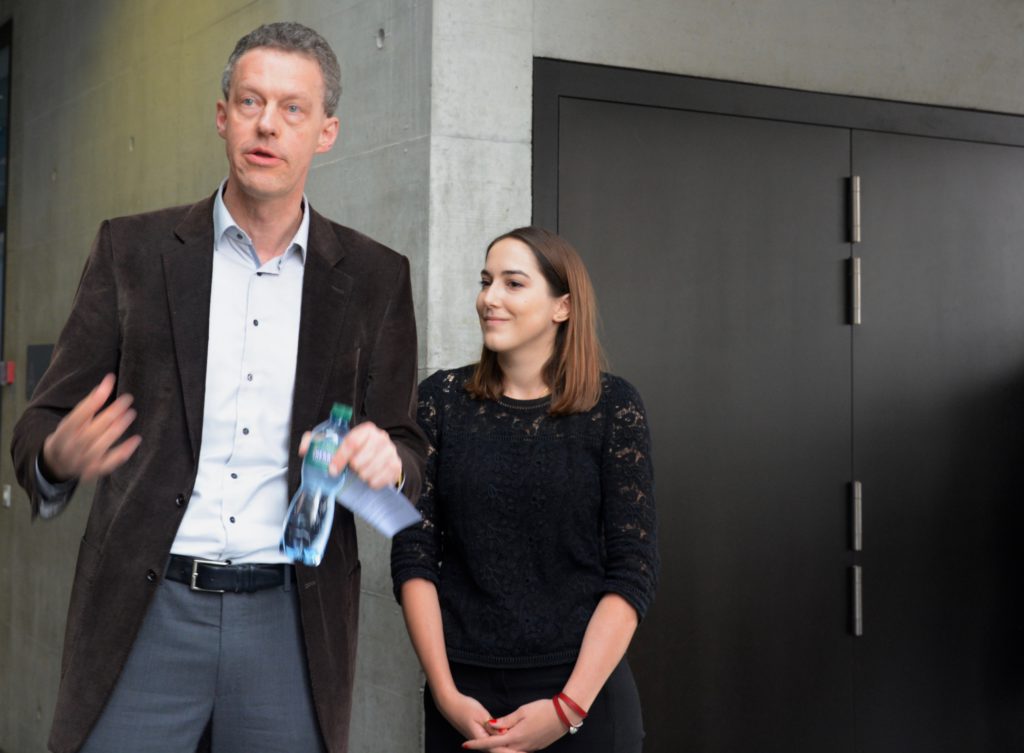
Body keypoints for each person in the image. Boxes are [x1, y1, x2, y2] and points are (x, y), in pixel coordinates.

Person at [10, 22, 425, 753]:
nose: (268, 123)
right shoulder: (130, 251)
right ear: (222, 115)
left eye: (293, 108)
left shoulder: (374, 277)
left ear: (326, 131)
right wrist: (56, 456)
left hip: (291, 620)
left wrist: (390, 463)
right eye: (251, 101)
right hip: (144, 607)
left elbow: (408, 448)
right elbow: (40, 422)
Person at [390, 227, 658, 752]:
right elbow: (412, 554)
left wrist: (568, 708)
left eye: (513, 284)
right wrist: (445, 694)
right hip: (466, 702)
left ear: (562, 306)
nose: (489, 298)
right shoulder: (439, 401)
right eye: (486, 281)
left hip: (583, 695)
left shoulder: (613, 408)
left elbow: (634, 571)